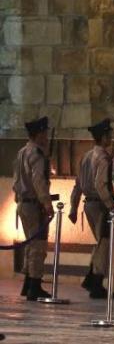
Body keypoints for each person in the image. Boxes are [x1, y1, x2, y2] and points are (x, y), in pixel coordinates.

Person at [69, 118, 114, 299]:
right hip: (100, 205)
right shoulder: (103, 158)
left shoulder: (87, 156)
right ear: (103, 137)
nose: (111, 137)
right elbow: (101, 184)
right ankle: (96, 282)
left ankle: (92, 278)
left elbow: (78, 185)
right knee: (103, 243)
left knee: (100, 243)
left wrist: (74, 208)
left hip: (89, 204)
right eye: (109, 135)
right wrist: (110, 205)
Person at [13, 116, 53, 301]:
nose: (46, 136)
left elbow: (17, 180)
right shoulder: (36, 154)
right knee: (38, 247)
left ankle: (28, 284)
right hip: (33, 205)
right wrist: (46, 203)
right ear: (38, 134)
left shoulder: (22, 152)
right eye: (44, 132)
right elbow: (38, 181)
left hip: (23, 203)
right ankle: (34, 287)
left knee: (30, 245)